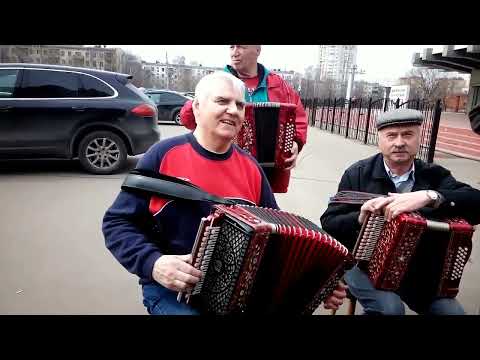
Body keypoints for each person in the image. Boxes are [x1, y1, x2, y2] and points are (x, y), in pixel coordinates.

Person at [103, 72, 345, 315]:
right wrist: (153, 263)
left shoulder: (252, 168)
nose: (233, 110)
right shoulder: (162, 155)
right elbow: (117, 223)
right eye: (222, 101)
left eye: (239, 105)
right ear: (197, 108)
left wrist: (320, 282)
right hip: (174, 292)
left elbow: (279, 243)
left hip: (236, 295)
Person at [320, 108, 480, 315]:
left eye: (407, 134)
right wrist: (359, 219)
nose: (399, 142)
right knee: (390, 309)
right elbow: (329, 223)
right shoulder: (358, 174)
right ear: (380, 140)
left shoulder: (434, 175)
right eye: (391, 135)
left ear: (418, 138)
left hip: (418, 272)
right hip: (363, 266)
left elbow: (476, 203)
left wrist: (430, 196)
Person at [179, 45, 308, 193]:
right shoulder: (217, 81)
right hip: (222, 165)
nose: (234, 52)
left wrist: (295, 142)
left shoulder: (278, 84)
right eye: (232, 47)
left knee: (260, 210)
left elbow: (298, 116)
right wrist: (200, 102)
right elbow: (187, 119)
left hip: (266, 172)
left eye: (241, 47)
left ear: (257, 51)